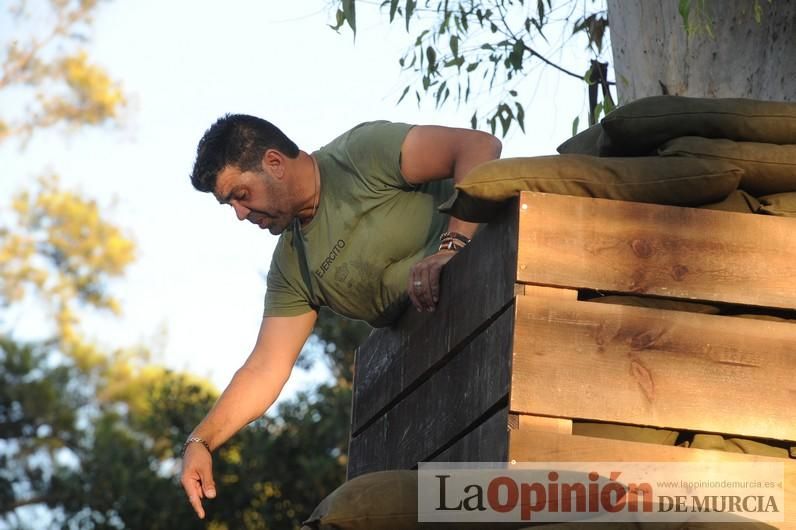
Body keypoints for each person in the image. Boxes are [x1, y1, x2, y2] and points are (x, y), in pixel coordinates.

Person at [180, 114, 502, 519]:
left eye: (241, 194)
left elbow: (478, 146)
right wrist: (200, 442)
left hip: (501, 301)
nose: (241, 214)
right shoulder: (292, 266)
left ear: (275, 163)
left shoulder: (359, 155)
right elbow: (265, 368)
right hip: (446, 385)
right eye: (230, 204)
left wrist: (451, 248)